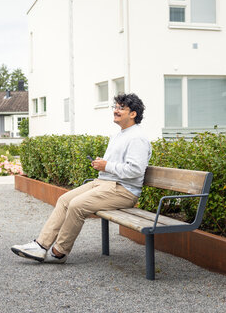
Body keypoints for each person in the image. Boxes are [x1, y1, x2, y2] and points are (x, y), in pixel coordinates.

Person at [11, 93, 152, 263]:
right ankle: (40, 246)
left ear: (133, 114)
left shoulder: (138, 137)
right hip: (105, 183)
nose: (116, 111)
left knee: (76, 206)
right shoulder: (118, 135)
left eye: (121, 108)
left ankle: (59, 252)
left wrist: (106, 165)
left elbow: (135, 170)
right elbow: (115, 165)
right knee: (64, 199)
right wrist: (101, 165)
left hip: (123, 191)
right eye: (115, 107)